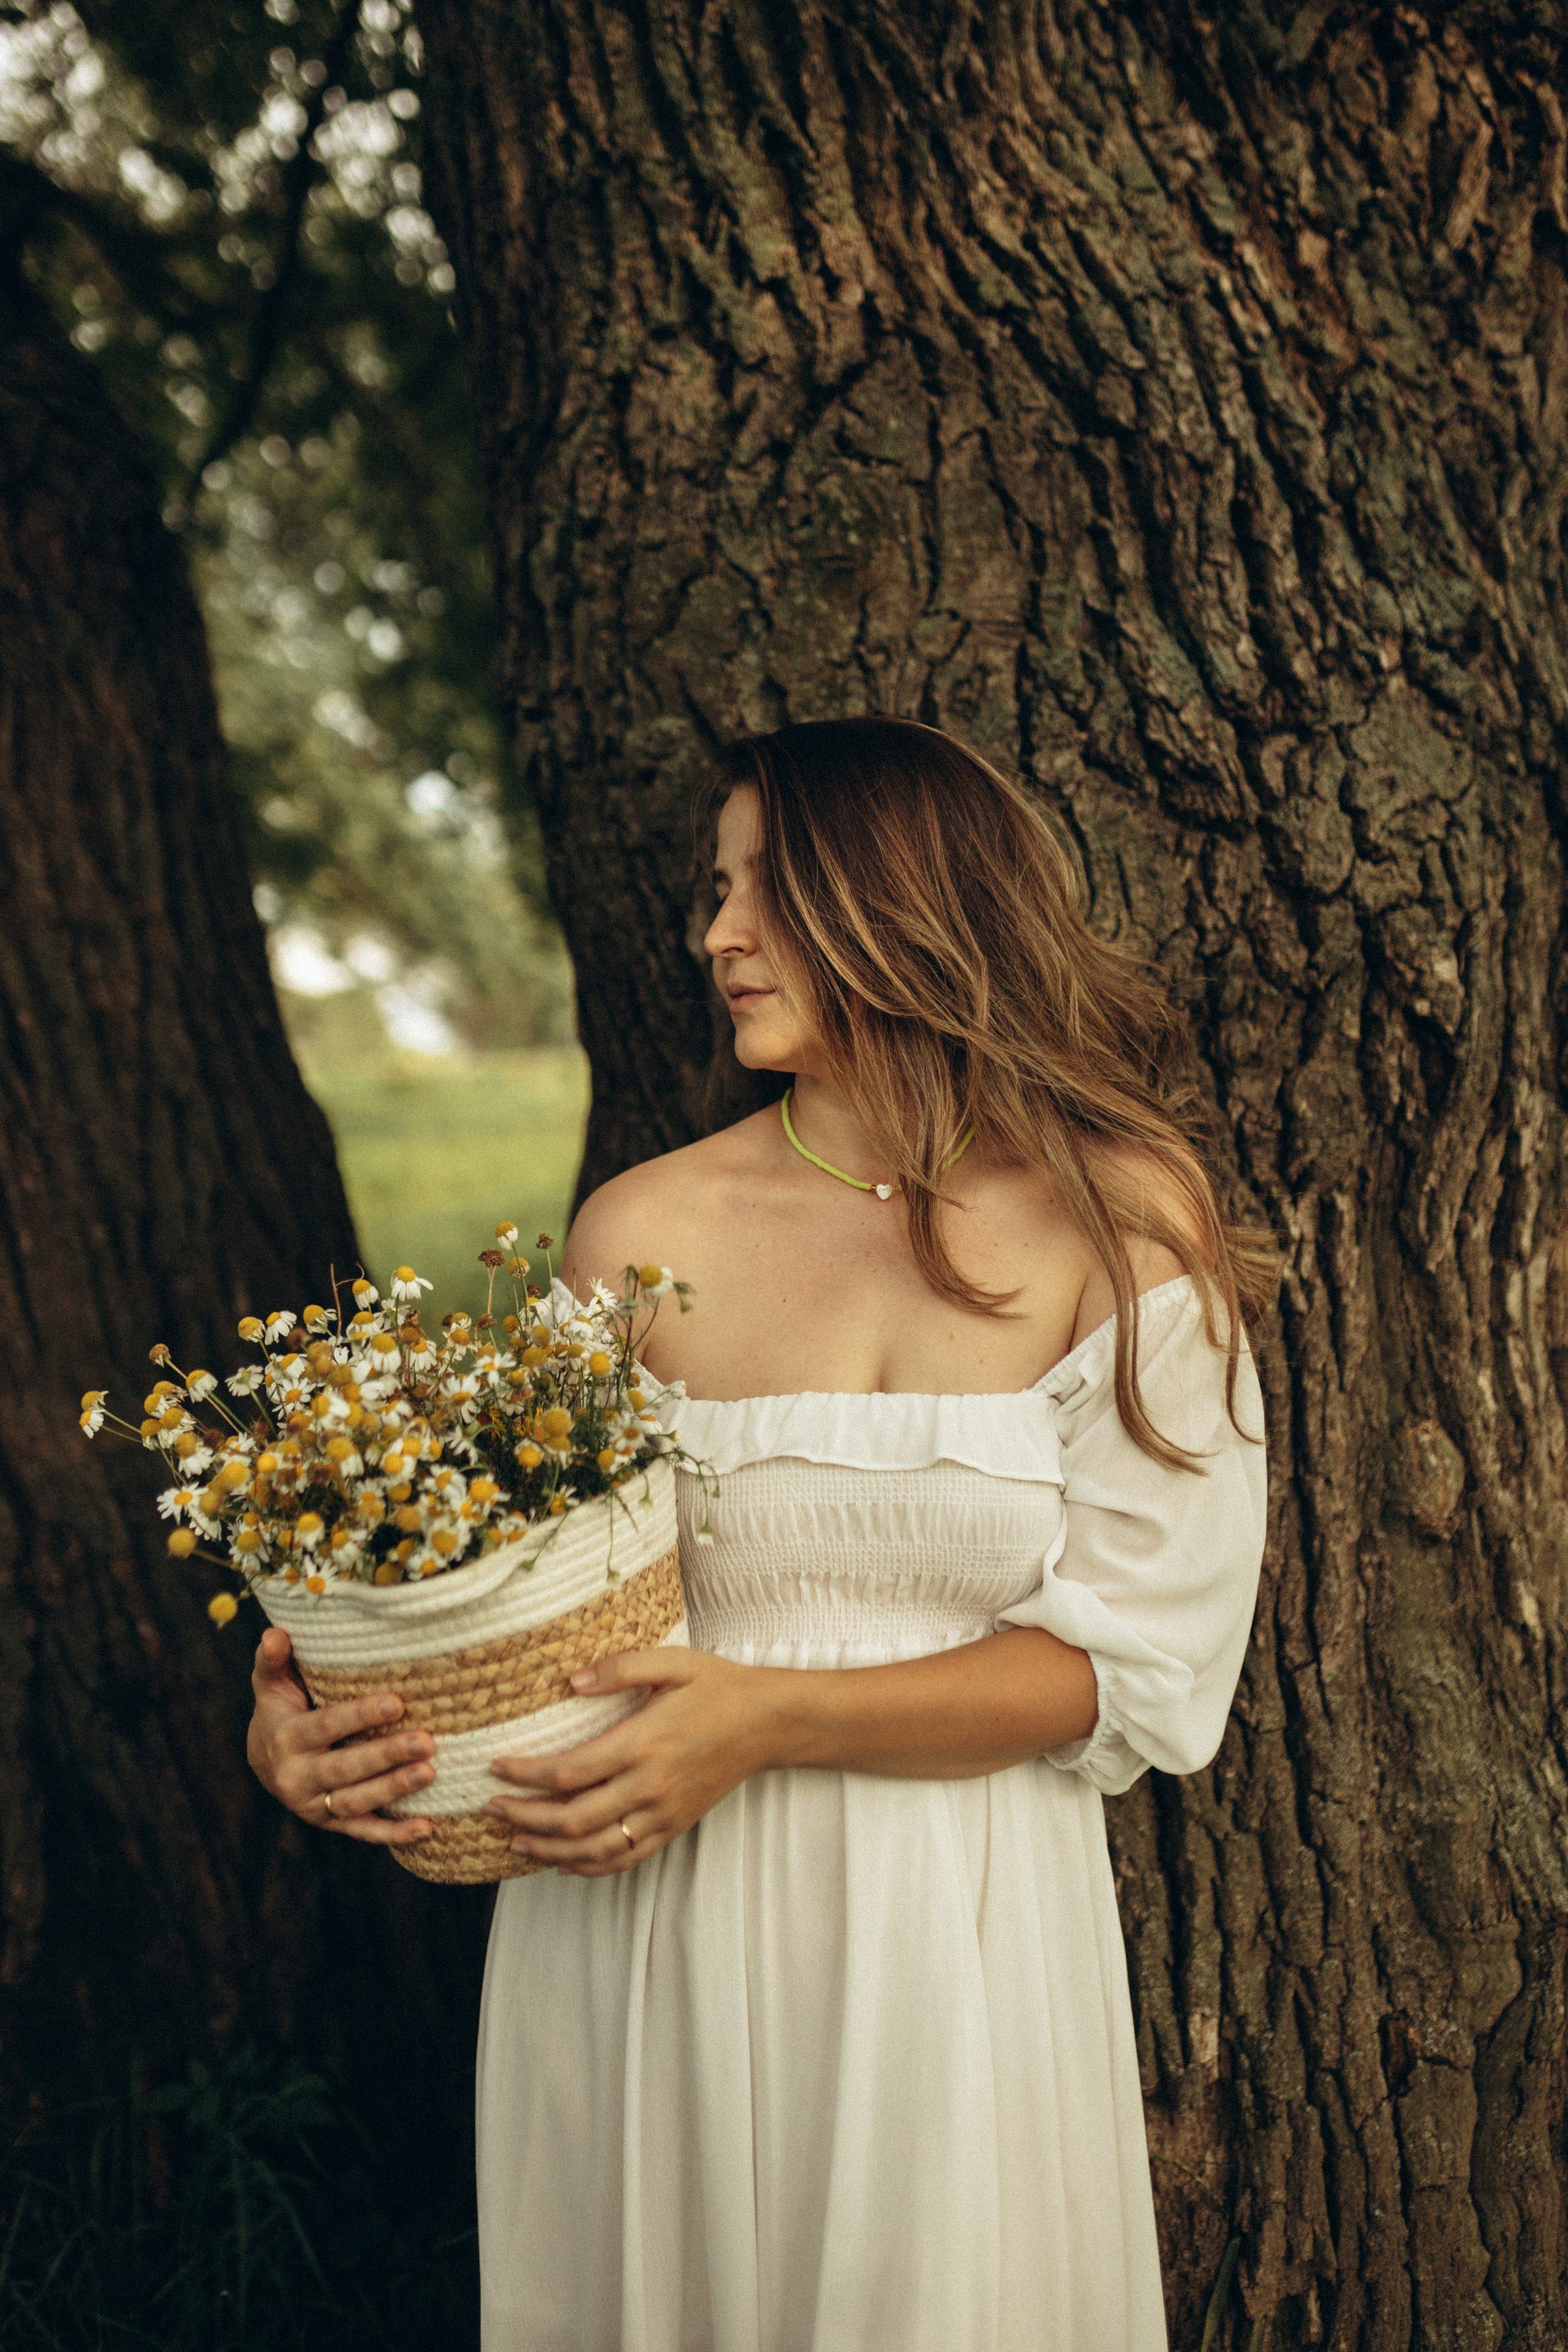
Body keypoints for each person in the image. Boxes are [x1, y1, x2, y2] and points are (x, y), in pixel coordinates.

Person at [246, 717, 1272, 2352]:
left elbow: (1143, 1668)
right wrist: (307, 1721)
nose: (715, 936)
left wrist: (775, 1718)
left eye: (765, 892)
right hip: (646, 1913)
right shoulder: (645, 1232)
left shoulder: (1123, 1220)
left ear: (910, 904)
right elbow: (492, 1586)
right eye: (719, 893)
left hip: (954, 1920)